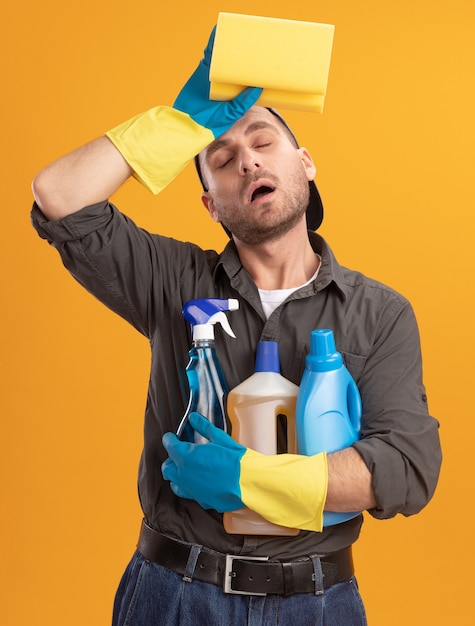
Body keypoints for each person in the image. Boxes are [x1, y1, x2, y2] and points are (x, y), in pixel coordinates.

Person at [31, 27, 441, 626]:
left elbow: (404, 471)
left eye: (263, 142)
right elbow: (58, 196)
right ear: (211, 204)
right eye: (221, 159)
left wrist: (250, 479)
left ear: (304, 162)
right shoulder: (173, 280)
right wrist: (180, 122)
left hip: (317, 605)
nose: (245, 159)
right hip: (171, 595)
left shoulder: (379, 314)